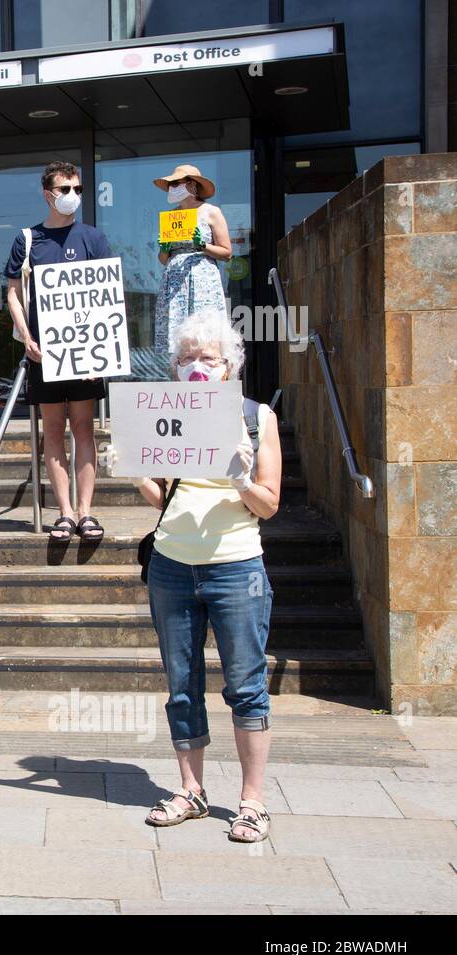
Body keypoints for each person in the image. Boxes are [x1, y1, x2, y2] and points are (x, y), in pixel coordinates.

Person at [109, 311, 281, 843]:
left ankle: (252, 802)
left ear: (229, 365)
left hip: (236, 567)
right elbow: (165, 499)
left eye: (208, 358)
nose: (196, 367)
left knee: (247, 686)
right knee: (181, 687)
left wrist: (240, 477)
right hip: (172, 567)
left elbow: (270, 505)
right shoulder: (169, 416)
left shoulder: (256, 418)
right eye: (186, 358)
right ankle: (191, 790)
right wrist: (137, 473)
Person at [4, 161, 112, 542]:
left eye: (78, 190)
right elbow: (14, 292)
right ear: (48, 193)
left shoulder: (93, 239)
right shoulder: (28, 239)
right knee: (52, 430)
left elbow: (107, 296)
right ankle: (64, 513)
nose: (72, 197)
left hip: (85, 354)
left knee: (84, 428)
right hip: (43, 354)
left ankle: (86, 512)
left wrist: (103, 351)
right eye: (65, 189)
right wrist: (25, 333)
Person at [152, 164, 233, 378]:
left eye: (177, 183)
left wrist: (203, 246)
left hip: (202, 276)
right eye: (171, 184)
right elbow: (163, 259)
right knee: (177, 335)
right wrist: (164, 249)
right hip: (175, 281)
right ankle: (178, 377)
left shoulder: (211, 212)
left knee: (206, 331)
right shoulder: (171, 216)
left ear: (192, 185)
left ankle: (211, 375)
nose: (173, 188)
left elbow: (227, 252)